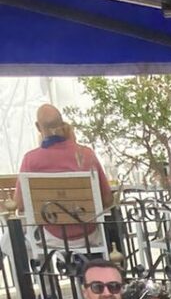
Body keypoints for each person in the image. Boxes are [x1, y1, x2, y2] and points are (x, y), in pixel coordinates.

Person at [18, 105, 112, 247]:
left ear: (38, 127)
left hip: (53, 236)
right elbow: (107, 199)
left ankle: (31, 268)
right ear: (62, 124)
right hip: (89, 233)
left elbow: (19, 205)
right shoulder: (86, 154)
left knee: (14, 237)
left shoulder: (30, 160)